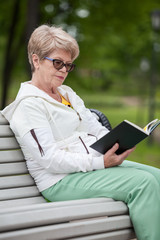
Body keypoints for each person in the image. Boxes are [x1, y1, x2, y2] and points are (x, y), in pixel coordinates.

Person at [1, 24, 160, 240]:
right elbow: (49, 159)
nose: (64, 71)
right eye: (58, 63)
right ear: (36, 60)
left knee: (157, 176)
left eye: (68, 65)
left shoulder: (66, 93)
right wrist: (100, 163)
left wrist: (118, 140)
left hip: (90, 166)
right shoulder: (28, 106)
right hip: (60, 180)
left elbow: (93, 126)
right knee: (144, 183)